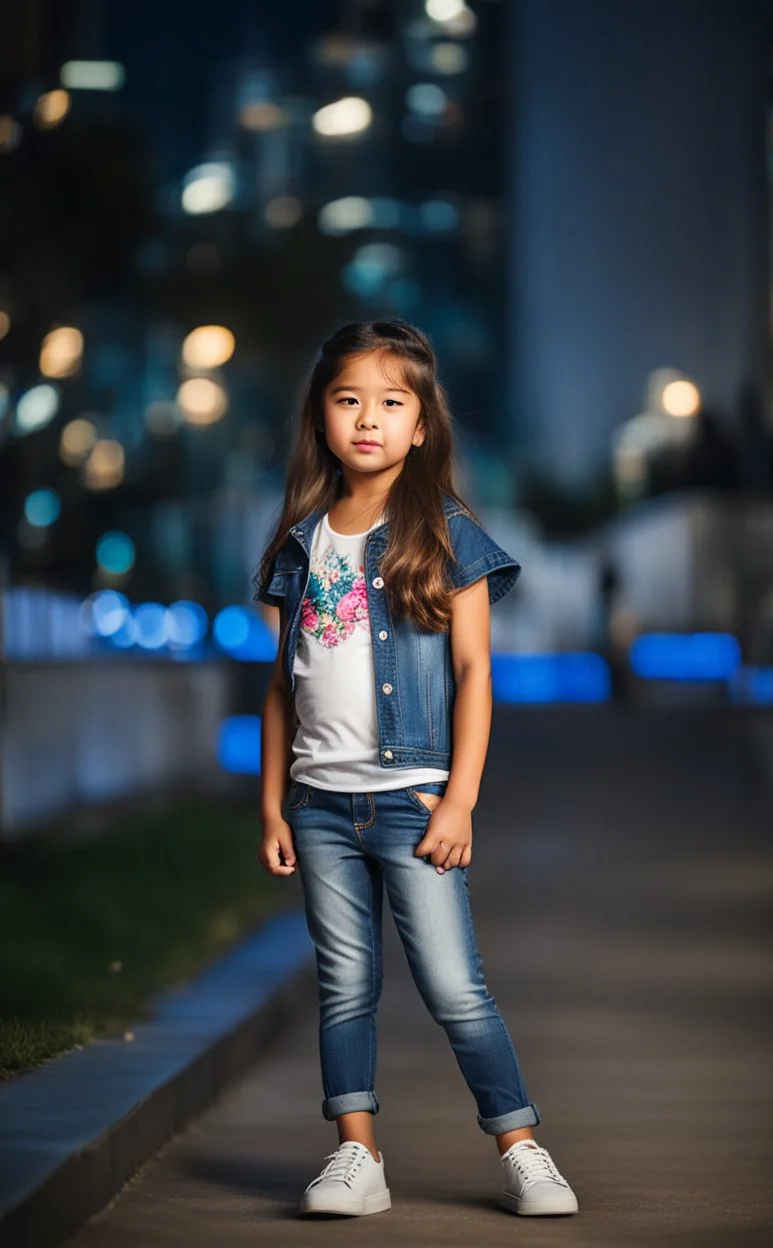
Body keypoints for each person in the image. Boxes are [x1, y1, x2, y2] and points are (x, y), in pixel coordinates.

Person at [255, 319, 578, 1219]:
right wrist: (274, 806)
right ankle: (357, 1159)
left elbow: (476, 673)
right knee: (345, 982)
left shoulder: (446, 534)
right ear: (321, 417)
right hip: (318, 805)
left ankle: (522, 1146)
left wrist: (460, 801)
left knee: (452, 986)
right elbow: (279, 688)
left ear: (422, 423)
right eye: (348, 399)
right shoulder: (299, 543)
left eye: (391, 402)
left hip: (414, 799)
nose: (369, 419)